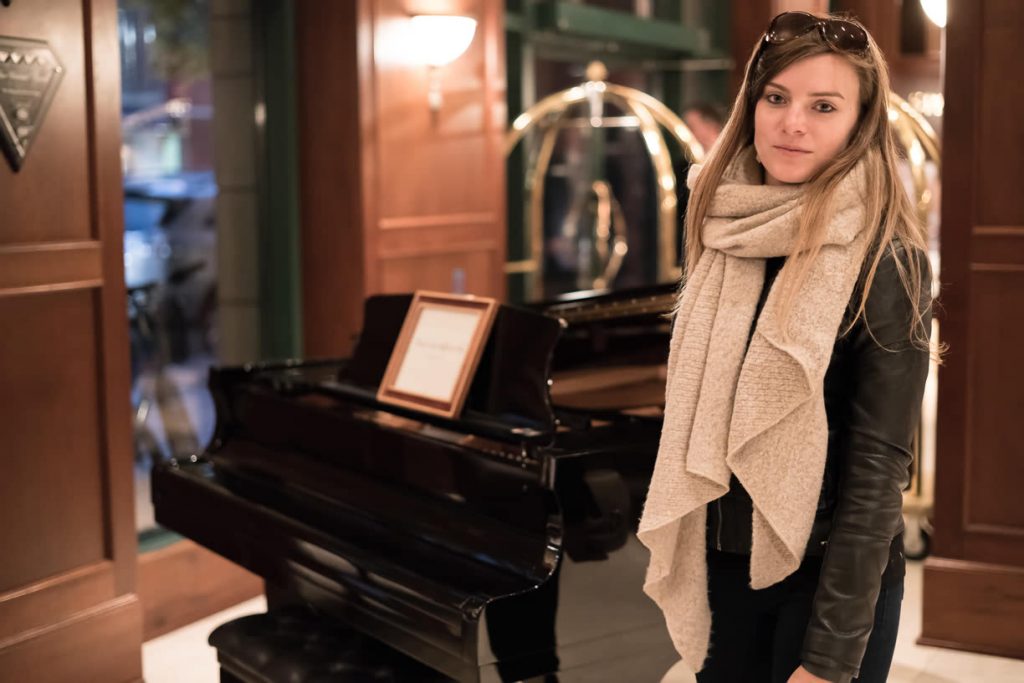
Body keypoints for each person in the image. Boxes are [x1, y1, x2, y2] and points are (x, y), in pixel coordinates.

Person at [638, 11, 934, 683]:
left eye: (822, 106)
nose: (791, 121)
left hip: (830, 582)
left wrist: (829, 656)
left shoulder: (889, 259)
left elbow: (877, 474)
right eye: (776, 97)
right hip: (725, 568)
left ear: (860, 125)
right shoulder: (717, 228)